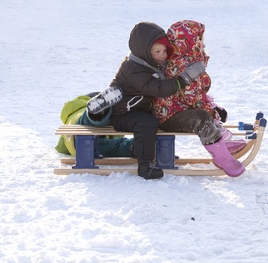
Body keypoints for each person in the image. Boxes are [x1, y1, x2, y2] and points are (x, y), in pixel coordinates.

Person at [88, 21, 206, 180]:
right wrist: (183, 79)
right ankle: (145, 166)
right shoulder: (132, 68)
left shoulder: (152, 65)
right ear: (143, 51)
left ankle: (153, 152)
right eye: (157, 51)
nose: (163, 55)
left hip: (139, 108)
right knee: (146, 122)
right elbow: (157, 88)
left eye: (165, 50)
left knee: (156, 117)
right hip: (122, 113)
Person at [151, 20, 245, 177]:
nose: (203, 44)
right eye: (200, 40)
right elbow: (191, 97)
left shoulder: (183, 59)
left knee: (206, 111)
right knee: (202, 117)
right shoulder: (183, 64)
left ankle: (223, 145)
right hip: (168, 116)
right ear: (189, 42)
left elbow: (193, 95)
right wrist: (212, 111)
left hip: (176, 109)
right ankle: (221, 157)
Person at [55, 92, 135, 158]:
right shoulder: (82, 109)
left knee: (113, 148)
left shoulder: (69, 120)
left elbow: (61, 148)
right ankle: (140, 145)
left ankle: (135, 146)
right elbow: (117, 130)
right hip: (84, 125)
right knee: (87, 120)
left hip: (81, 147)